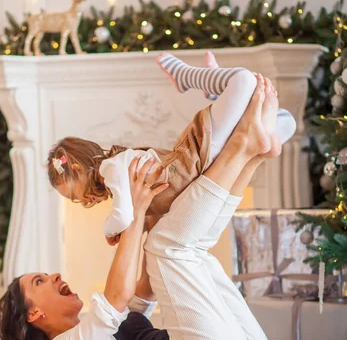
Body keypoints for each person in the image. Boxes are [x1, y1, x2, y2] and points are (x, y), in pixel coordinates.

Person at [0, 75, 276, 340]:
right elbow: (116, 297)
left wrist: (146, 214)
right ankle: (241, 147)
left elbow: (145, 288)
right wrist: (136, 211)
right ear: (34, 314)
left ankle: (253, 157)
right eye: (40, 281)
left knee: (182, 243)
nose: (54, 275)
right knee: (169, 247)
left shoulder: (96, 327)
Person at [46, 52, 295, 244]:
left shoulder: (112, 168)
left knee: (258, 94)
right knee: (256, 95)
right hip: (200, 170)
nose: (79, 200)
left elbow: (122, 217)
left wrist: (107, 230)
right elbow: (135, 215)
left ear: (77, 167)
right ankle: (242, 117)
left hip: (196, 159)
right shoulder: (118, 181)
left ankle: (187, 78)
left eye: (72, 195)